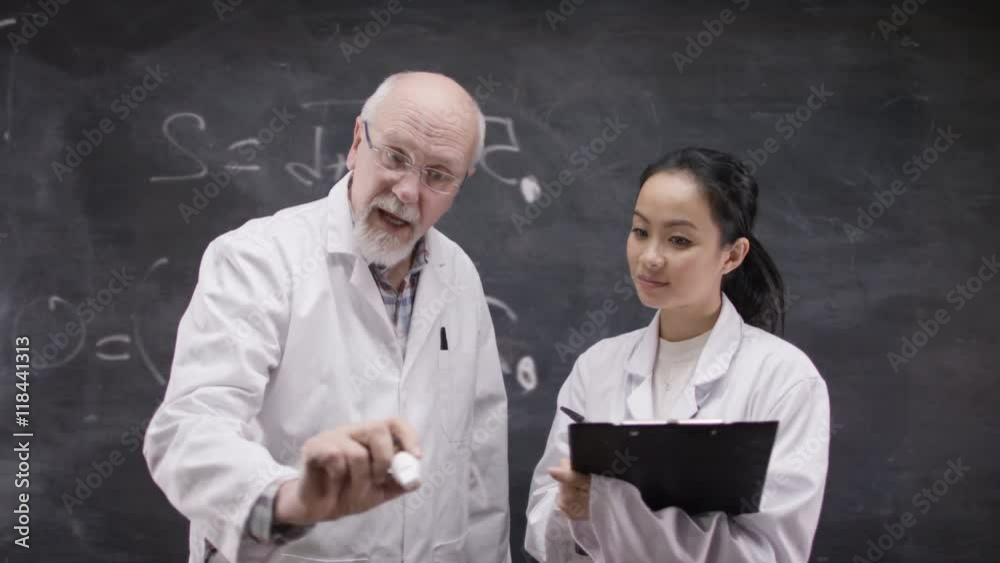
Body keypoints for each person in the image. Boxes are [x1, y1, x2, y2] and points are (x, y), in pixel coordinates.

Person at [143, 71, 511, 563]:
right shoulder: (259, 258)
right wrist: (290, 499)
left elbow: (481, 460)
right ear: (358, 142)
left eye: (438, 175)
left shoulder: (459, 276)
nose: (406, 190)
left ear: (460, 185)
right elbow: (188, 430)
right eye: (395, 157)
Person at [525, 147, 830, 562]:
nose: (650, 257)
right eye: (640, 231)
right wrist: (573, 513)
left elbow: (771, 553)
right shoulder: (598, 366)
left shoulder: (784, 379)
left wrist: (611, 509)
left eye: (679, 240)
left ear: (732, 254)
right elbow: (544, 524)